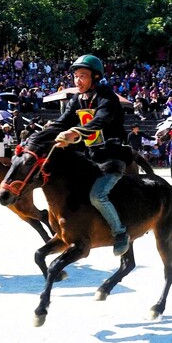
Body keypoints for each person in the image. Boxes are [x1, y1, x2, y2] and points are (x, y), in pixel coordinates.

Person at [49, 55, 132, 256]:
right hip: (89, 157)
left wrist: (74, 132)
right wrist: (45, 132)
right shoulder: (76, 99)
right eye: (76, 76)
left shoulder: (107, 98)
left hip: (111, 156)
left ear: (95, 77)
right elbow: (62, 121)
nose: (78, 81)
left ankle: (120, 232)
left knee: (97, 195)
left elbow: (100, 121)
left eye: (83, 76)